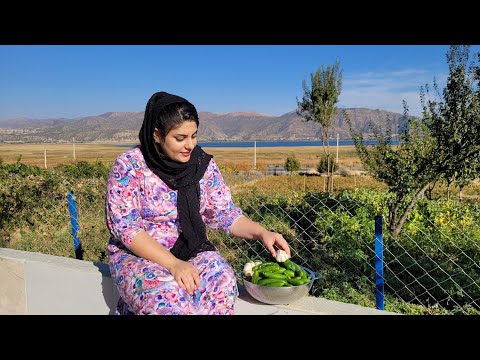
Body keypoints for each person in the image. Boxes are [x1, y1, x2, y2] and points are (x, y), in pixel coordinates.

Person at [105, 91, 291, 315]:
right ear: (156, 135)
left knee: (222, 283)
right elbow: (127, 228)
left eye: (194, 136)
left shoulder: (201, 165)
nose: (190, 145)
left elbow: (223, 213)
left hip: (191, 249)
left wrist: (262, 233)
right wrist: (173, 264)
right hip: (140, 255)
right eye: (180, 138)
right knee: (167, 299)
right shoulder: (130, 166)